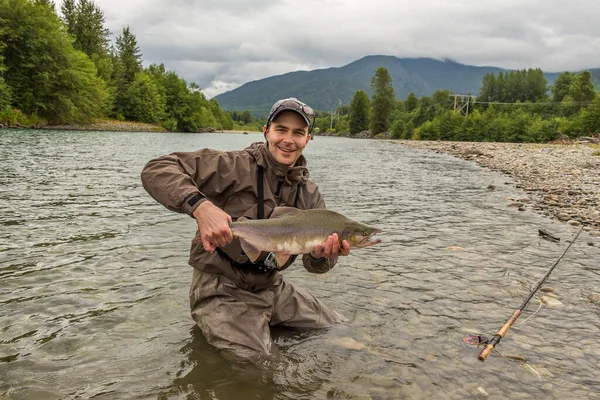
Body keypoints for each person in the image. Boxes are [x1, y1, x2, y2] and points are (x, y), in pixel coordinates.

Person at [141, 97, 350, 361]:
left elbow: (314, 265)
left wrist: (324, 256)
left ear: (308, 139)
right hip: (221, 287)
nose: (288, 139)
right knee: (255, 367)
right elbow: (157, 169)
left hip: (272, 287)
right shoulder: (233, 166)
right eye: (281, 130)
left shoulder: (310, 195)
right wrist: (200, 206)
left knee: (338, 328)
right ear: (266, 131)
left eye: (298, 132)